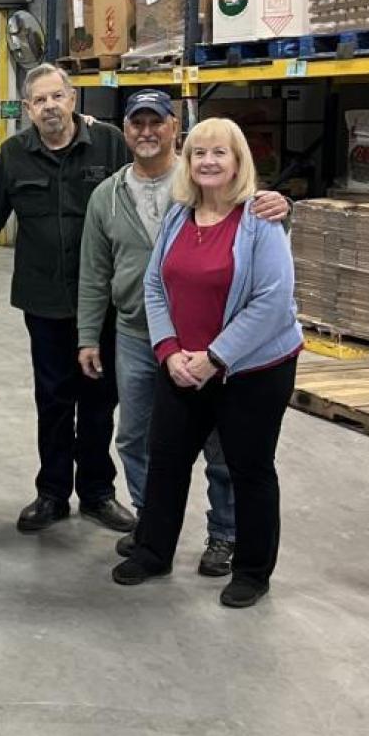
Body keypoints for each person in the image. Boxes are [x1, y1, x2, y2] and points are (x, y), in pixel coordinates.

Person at [78, 91, 291, 577]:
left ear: (239, 162)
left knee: (243, 464)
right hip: (171, 355)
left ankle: (245, 563)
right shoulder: (178, 212)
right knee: (165, 456)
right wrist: (170, 350)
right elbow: (154, 282)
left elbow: (272, 302)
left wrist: (214, 358)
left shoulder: (259, 217)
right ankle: (154, 549)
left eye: (220, 152)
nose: (208, 161)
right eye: (201, 153)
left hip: (247, 368)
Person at [0, 63, 135, 538]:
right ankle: (52, 492)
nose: (50, 106)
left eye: (57, 96)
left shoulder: (109, 142)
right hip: (45, 302)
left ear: (73, 99)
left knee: (99, 399)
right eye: (39, 100)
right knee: (52, 399)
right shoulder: (13, 155)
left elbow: (156, 184)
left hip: (104, 301)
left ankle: (96, 492)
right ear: (27, 109)